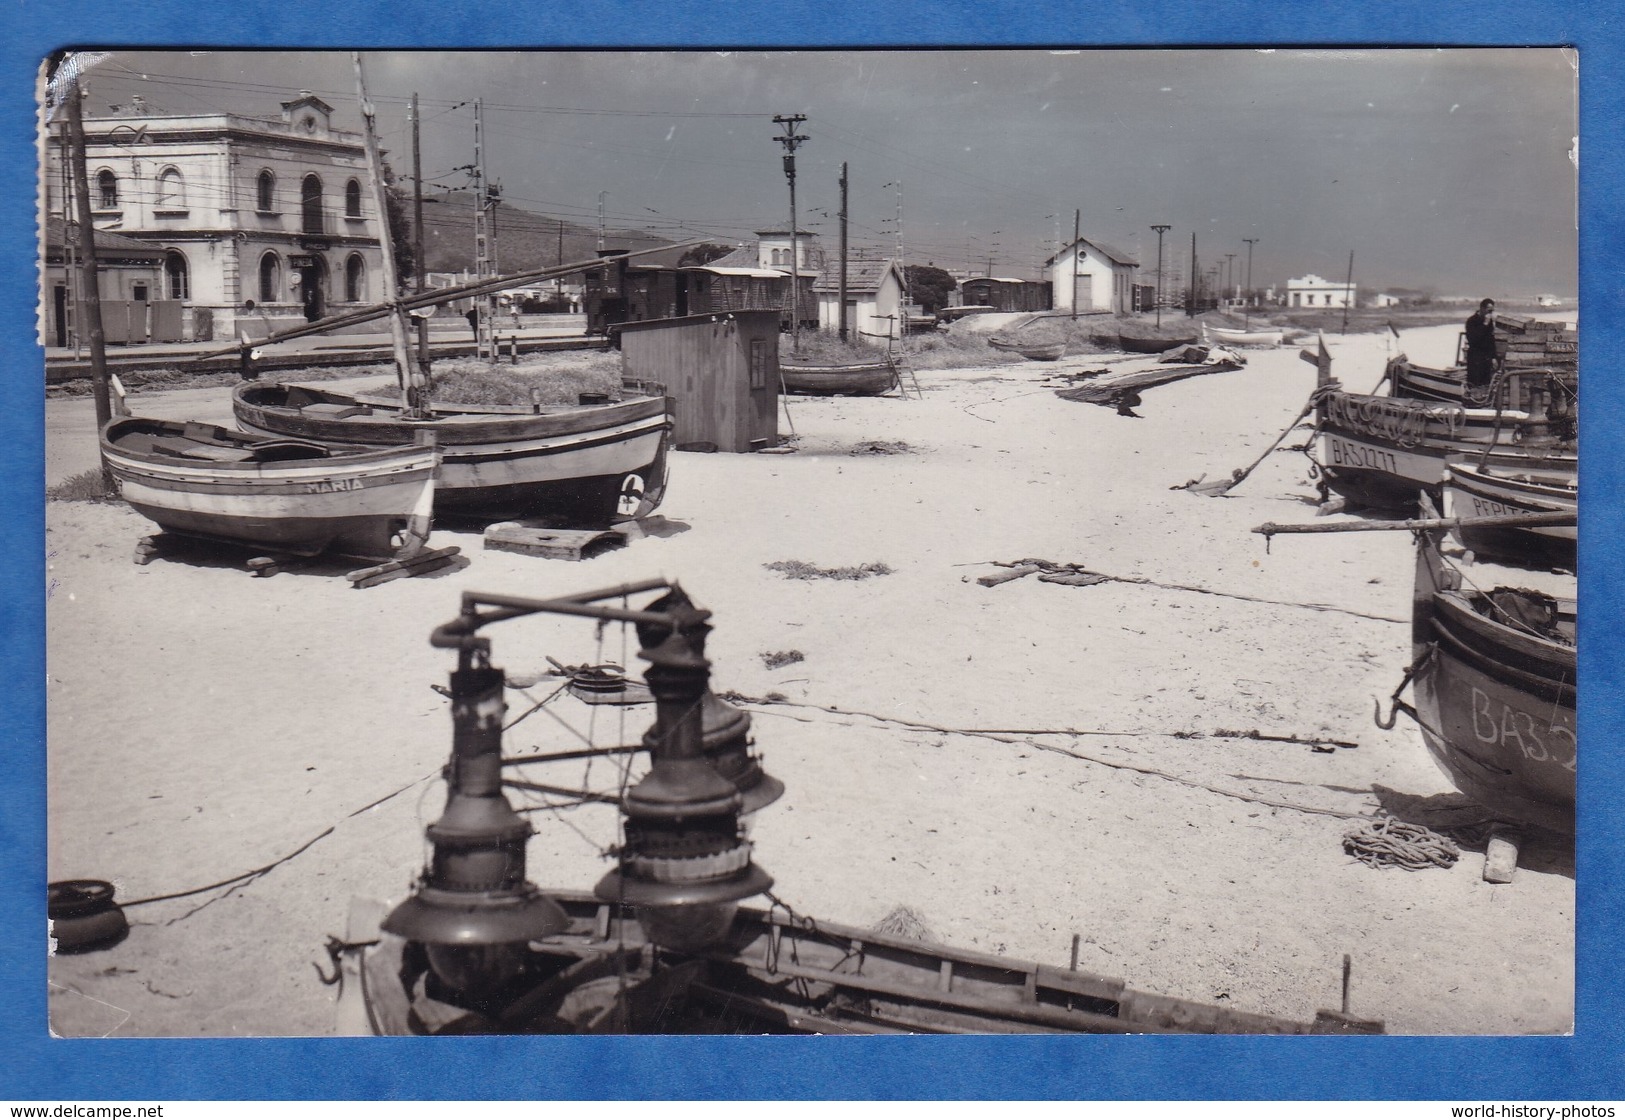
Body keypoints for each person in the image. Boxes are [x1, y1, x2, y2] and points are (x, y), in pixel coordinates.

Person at [1463, 298, 1498, 402]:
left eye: (1492, 311)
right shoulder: (1471, 321)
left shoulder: (1489, 321)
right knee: (1474, 383)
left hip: (1486, 357)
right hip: (1475, 357)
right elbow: (1473, 339)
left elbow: (1491, 340)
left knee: (1485, 383)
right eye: (1489, 310)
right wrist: (1484, 325)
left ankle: (1483, 402)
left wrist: (1493, 357)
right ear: (1482, 309)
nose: (1490, 313)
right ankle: (1472, 402)